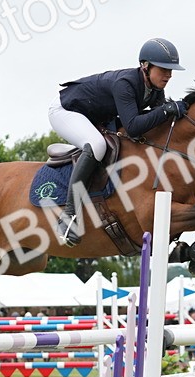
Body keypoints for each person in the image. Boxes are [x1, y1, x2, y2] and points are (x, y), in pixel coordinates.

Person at [49, 38, 186, 246]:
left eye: (171, 70)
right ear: (145, 66)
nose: (169, 75)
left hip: (97, 117)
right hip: (67, 111)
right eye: (164, 69)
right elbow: (133, 126)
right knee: (97, 145)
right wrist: (167, 110)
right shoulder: (126, 83)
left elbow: (153, 123)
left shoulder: (155, 89)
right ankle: (68, 217)